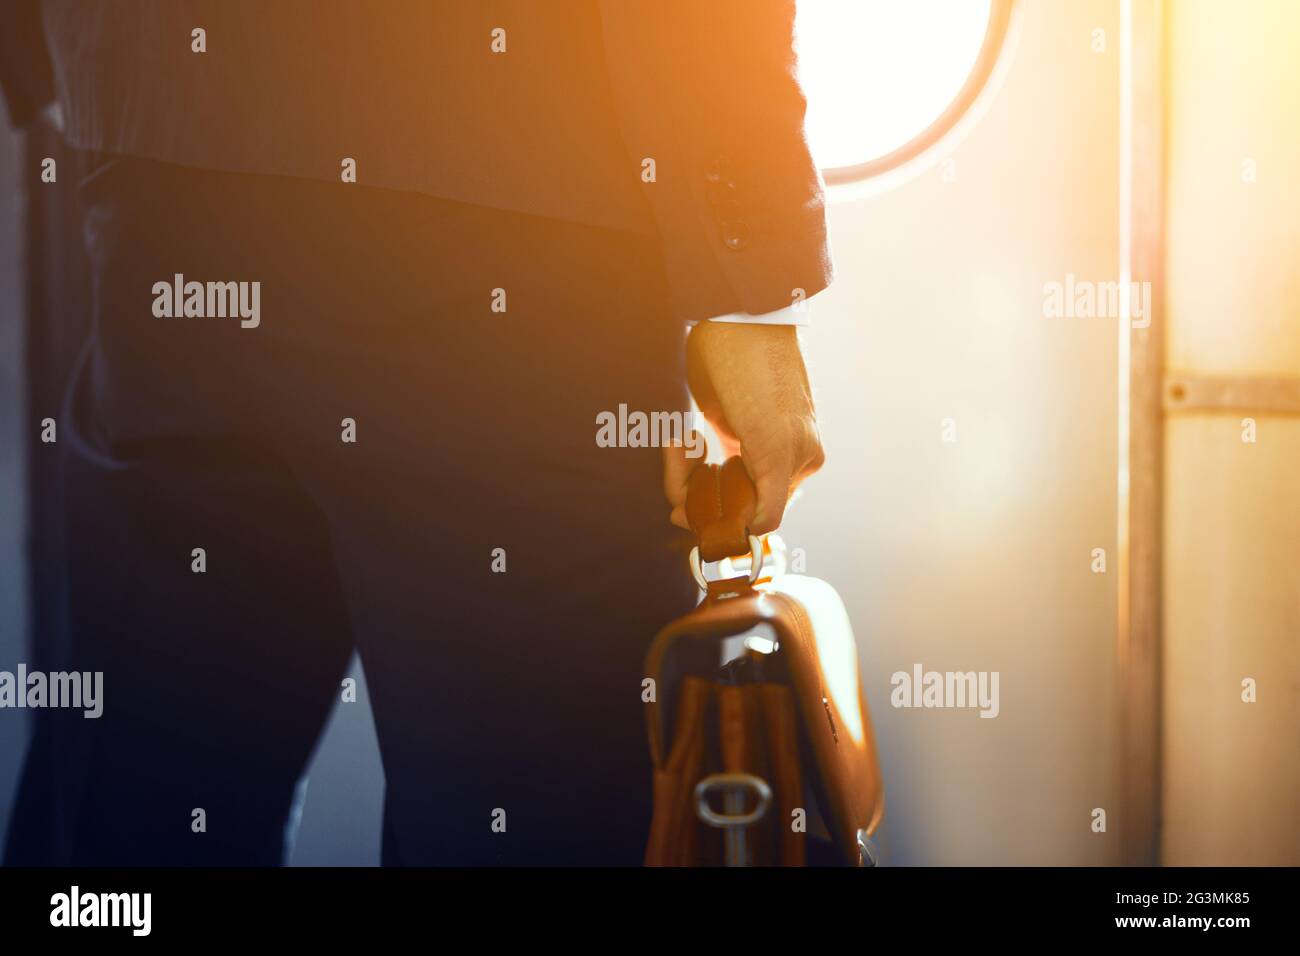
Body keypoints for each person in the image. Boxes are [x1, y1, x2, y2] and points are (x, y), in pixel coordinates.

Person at [5, 0, 829, 865]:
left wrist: (67, 57)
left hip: (166, 165)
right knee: (531, 821)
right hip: (512, 214)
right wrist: (748, 290)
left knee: (141, 822)